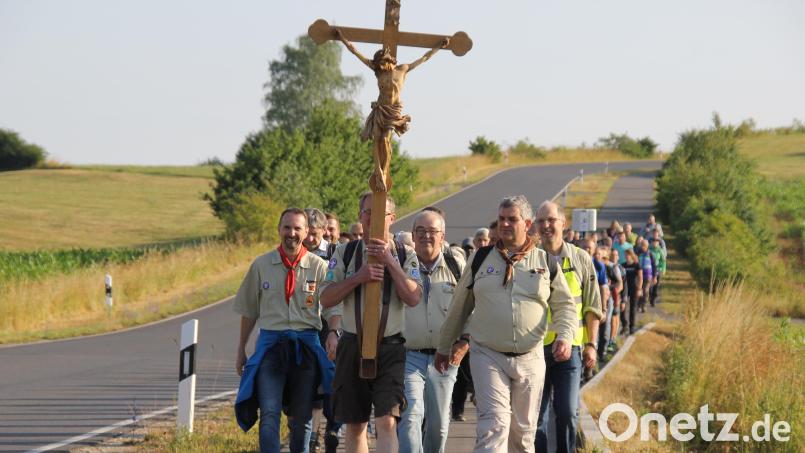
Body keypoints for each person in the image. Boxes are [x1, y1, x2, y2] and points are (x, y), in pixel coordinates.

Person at [436, 195, 577, 453]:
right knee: (494, 426)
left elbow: (565, 306)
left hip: (531, 357)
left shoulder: (545, 261)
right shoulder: (480, 259)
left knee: (523, 435)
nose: (505, 224)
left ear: (527, 223)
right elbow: (459, 306)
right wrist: (444, 346)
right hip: (488, 354)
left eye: (512, 219)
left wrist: (565, 336)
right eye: (501, 219)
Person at [320, 192, 422, 453]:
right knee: (355, 425)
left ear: (392, 218)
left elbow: (413, 297)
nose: (373, 218)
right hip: (352, 344)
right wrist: (358, 277)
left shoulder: (404, 253)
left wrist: (390, 261)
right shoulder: (345, 252)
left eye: (380, 214)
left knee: (387, 421)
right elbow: (326, 296)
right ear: (360, 216)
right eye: (368, 212)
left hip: (391, 347)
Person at [233, 208, 336, 453]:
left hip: (306, 347)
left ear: (306, 232)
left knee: (301, 418)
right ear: (279, 230)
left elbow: (333, 306)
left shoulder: (319, 267)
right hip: (271, 346)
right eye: (287, 227)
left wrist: (334, 332)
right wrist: (241, 349)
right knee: (269, 412)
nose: (291, 233)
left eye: (297, 228)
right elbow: (249, 310)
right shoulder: (261, 265)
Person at [533, 201, 603, 453]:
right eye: (541, 221)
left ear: (563, 223)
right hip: (534, 351)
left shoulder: (581, 259)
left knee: (566, 413)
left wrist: (592, 345)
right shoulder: (530, 258)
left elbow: (592, 307)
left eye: (551, 220)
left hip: (570, 349)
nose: (546, 225)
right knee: (535, 419)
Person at [398, 210, 466, 453]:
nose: (427, 236)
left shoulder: (457, 266)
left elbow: (471, 307)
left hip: (445, 357)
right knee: (411, 414)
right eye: (421, 231)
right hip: (409, 355)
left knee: (438, 425)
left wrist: (464, 342)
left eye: (432, 231)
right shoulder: (400, 265)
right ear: (413, 236)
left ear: (443, 236)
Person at [304, 208, 341, 453]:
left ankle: (333, 429)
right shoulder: (297, 253)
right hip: (306, 324)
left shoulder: (335, 254)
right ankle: (311, 433)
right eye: (307, 234)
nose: (309, 239)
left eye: (314, 234)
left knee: (332, 380)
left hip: (330, 324)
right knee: (308, 382)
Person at [580, 239, 610, 363]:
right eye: (584, 247)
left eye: (589, 248)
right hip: (578, 305)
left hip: (593, 304)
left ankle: (590, 365)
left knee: (593, 335)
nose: (587, 250)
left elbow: (603, 288)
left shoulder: (599, 265)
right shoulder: (574, 262)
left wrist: (603, 308)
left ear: (594, 250)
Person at [603, 248, 623, 354]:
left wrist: (614, 296)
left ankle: (610, 342)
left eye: (605, 258)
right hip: (601, 298)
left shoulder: (613, 267)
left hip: (612, 298)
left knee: (610, 320)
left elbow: (621, 284)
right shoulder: (596, 265)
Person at [621, 249, 643, 333]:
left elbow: (640, 277)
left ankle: (632, 326)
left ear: (631, 255)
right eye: (625, 255)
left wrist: (639, 289)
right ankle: (624, 325)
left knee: (633, 308)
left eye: (628, 255)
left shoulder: (636, 265)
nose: (627, 256)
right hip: (625, 289)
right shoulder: (623, 265)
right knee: (623, 308)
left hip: (634, 288)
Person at [637, 239, 656, 311]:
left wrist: (654, 276)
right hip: (639, 276)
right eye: (642, 245)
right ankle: (639, 304)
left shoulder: (650, 254)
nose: (643, 247)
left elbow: (654, 266)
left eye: (644, 245)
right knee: (639, 290)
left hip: (648, 276)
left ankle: (644, 305)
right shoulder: (638, 253)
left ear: (647, 246)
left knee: (645, 290)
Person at [648, 238, 666, 306]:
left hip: (658, 269)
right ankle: (650, 296)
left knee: (656, 284)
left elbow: (663, 261)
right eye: (653, 242)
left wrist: (663, 269)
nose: (655, 243)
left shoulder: (660, 251)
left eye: (656, 242)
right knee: (650, 285)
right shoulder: (649, 250)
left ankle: (653, 298)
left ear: (658, 243)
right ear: (651, 243)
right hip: (650, 269)